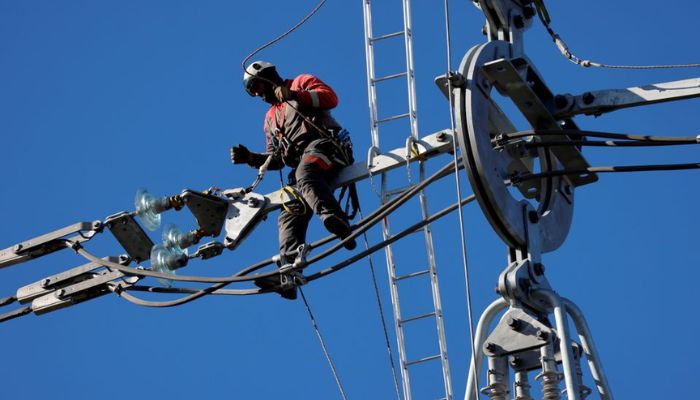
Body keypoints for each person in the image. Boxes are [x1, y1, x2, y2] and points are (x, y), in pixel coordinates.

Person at [230, 61, 356, 271]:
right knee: (289, 209)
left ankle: (336, 220)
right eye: (251, 93)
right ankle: (289, 269)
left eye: (256, 87)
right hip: (306, 168)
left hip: (328, 148)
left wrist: (295, 95)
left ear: (267, 77)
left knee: (304, 172)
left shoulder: (300, 82)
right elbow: (276, 158)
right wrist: (251, 158)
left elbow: (331, 98)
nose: (258, 95)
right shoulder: (270, 118)